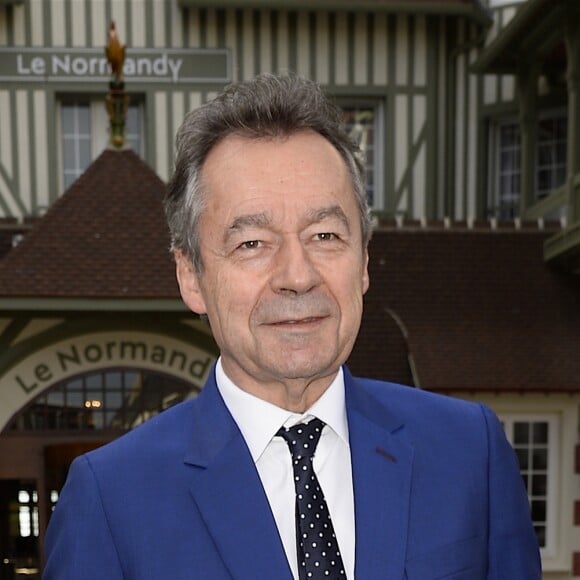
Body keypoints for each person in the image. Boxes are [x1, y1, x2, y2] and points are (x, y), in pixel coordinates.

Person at [43, 73, 541, 579]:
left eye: (325, 234)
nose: (298, 276)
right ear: (191, 276)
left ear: (364, 260)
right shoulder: (110, 499)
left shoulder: (469, 453)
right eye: (252, 244)